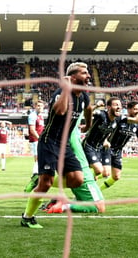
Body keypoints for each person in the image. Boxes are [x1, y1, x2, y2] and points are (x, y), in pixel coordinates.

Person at [21, 62, 93, 229]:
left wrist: (88, 125)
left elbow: (88, 108)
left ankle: (39, 179)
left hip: (64, 144)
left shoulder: (84, 96)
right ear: (73, 77)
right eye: (84, 73)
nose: (88, 76)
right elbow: (60, 111)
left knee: (77, 179)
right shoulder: (61, 93)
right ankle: (27, 217)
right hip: (49, 142)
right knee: (45, 184)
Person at [46, 114, 105, 214]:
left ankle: (60, 201)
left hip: (79, 172)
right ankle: (64, 206)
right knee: (99, 207)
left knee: (84, 199)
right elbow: (77, 112)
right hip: (83, 174)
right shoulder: (71, 133)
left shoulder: (64, 133)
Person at [100, 101, 138, 191]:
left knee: (116, 176)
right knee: (105, 172)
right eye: (135, 109)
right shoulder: (120, 119)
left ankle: (97, 191)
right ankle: (88, 186)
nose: (137, 111)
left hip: (118, 151)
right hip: (108, 148)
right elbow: (107, 128)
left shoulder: (137, 125)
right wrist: (105, 140)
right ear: (128, 109)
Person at [81, 97, 122, 179]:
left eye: (120, 105)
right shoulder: (101, 115)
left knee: (105, 173)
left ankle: (87, 178)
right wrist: (96, 105)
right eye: (116, 105)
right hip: (89, 145)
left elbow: (108, 131)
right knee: (99, 170)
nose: (119, 107)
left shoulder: (117, 120)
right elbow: (86, 112)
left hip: (99, 148)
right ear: (109, 107)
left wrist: (106, 140)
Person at [23, 100, 45, 192]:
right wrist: (39, 138)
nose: (40, 107)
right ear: (35, 106)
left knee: (40, 159)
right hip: (36, 140)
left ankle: (37, 177)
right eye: (38, 105)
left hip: (39, 140)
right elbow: (32, 130)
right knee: (38, 159)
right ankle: (34, 178)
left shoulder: (40, 116)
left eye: (41, 106)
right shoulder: (32, 115)